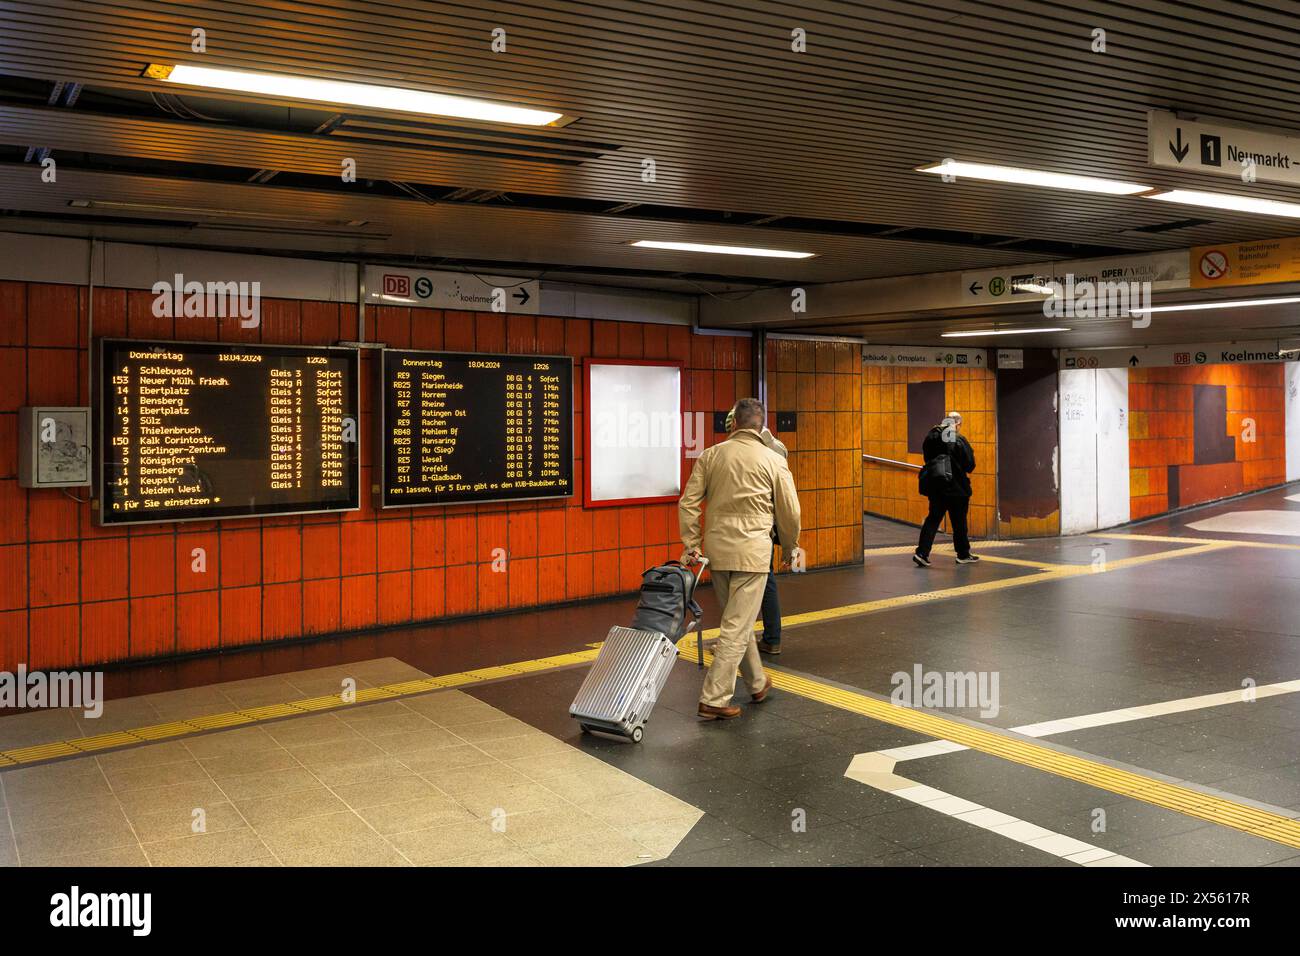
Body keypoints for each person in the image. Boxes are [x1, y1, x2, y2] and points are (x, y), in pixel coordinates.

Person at [680, 398, 801, 719]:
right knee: (736, 625)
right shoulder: (773, 459)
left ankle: (758, 682)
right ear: (761, 427)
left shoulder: (711, 455)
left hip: (717, 552)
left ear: (734, 424)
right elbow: (790, 511)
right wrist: (790, 548)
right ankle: (714, 698)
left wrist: (691, 543)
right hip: (753, 553)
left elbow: (688, 503)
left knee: (738, 621)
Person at [723, 404, 788, 656]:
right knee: (764, 580)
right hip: (765, 526)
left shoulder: (764, 451)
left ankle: (750, 640)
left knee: (752, 582)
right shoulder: (777, 448)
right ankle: (769, 637)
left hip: (752, 527)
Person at [913, 412, 980, 567]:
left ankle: (921, 553)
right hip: (957, 488)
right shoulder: (958, 439)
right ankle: (963, 554)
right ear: (957, 424)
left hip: (937, 486)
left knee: (933, 519)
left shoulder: (931, 437)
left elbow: (927, 459)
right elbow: (970, 465)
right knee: (959, 522)